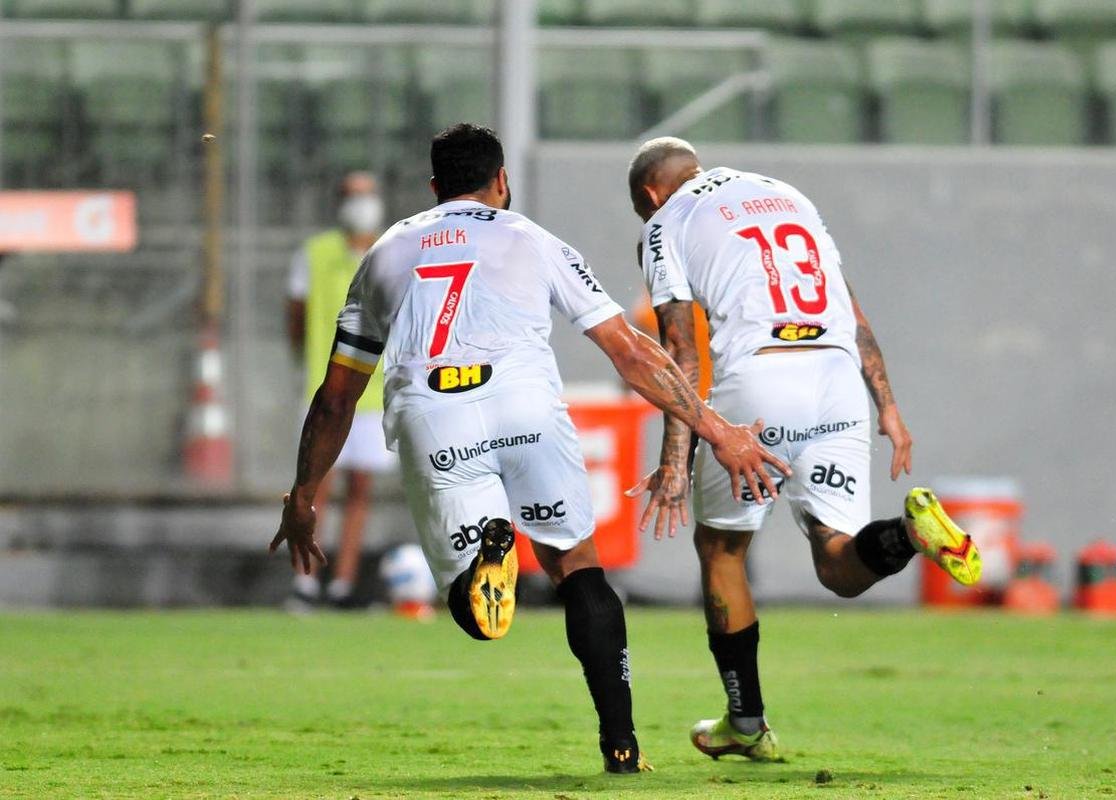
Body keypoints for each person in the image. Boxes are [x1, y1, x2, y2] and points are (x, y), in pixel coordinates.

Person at [270, 124, 788, 773]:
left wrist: (303, 496)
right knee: (579, 569)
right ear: (502, 182)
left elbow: (337, 398)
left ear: (435, 188)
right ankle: (621, 746)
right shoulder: (534, 239)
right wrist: (717, 430)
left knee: (477, 610)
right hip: (527, 409)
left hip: (437, 415)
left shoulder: (387, 252)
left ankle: (485, 561)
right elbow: (631, 352)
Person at [625, 137, 982, 762]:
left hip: (760, 380)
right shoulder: (785, 194)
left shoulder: (664, 224)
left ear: (650, 194)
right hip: (837, 378)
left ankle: (747, 722)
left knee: (721, 548)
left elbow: (681, 351)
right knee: (837, 564)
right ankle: (907, 534)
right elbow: (854, 311)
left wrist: (674, 461)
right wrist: (889, 408)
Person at [284, 172, 394, 610]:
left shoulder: (391, 250)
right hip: (324, 390)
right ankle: (305, 582)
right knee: (312, 487)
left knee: (360, 491)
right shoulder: (313, 254)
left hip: (371, 394)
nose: (361, 204)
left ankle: (344, 583)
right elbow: (295, 317)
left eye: (368, 195)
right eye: (353, 195)